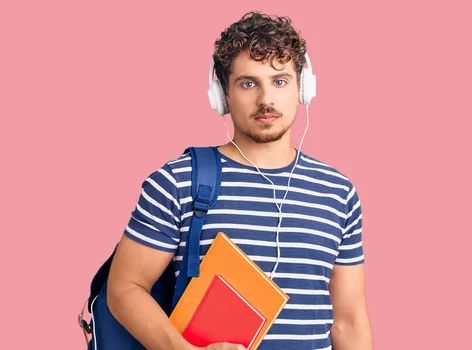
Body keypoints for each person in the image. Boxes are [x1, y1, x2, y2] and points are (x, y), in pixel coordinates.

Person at [106, 11, 374, 350]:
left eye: (279, 81)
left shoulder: (338, 192)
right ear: (223, 96)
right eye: (248, 83)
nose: (266, 99)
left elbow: (349, 320)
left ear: (303, 88)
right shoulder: (178, 180)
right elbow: (124, 288)